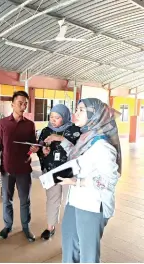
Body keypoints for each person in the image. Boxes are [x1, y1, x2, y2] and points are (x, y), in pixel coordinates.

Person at [44, 98, 121, 263]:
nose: (75, 113)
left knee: (88, 255)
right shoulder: (85, 138)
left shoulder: (103, 147)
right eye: (76, 109)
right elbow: (76, 156)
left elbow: (109, 181)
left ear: (95, 115)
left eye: (81, 110)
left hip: (92, 205)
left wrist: (76, 182)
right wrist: (60, 140)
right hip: (75, 201)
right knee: (69, 244)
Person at [0, 90, 36, 242]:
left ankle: (26, 227)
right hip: (7, 168)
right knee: (7, 199)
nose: (23, 106)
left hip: (24, 169)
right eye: (20, 103)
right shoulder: (3, 123)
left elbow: (32, 145)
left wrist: (32, 152)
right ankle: (8, 226)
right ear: (12, 104)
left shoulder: (30, 125)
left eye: (25, 103)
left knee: (25, 200)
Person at [35, 104, 80, 240]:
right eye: (51, 117)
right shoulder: (45, 131)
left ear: (65, 117)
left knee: (69, 201)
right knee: (52, 200)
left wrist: (61, 139)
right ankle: (50, 227)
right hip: (51, 171)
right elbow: (40, 149)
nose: (53, 120)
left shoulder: (75, 131)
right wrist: (43, 152)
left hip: (69, 172)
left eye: (57, 117)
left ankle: (71, 229)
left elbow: (78, 152)